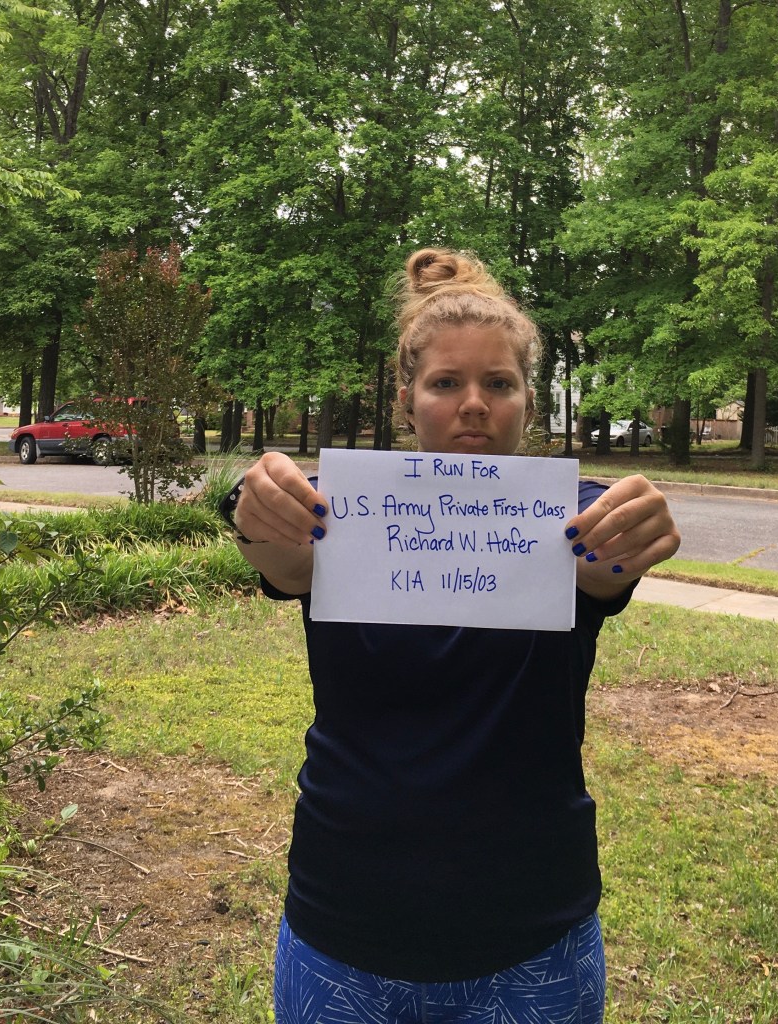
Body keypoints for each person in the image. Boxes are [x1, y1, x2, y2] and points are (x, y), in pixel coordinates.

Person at [224, 248, 681, 1024]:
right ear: (408, 401)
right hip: (345, 925)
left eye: (498, 384)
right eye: (447, 383)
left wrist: (636, 529)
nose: (475, 403)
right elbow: (280, 557)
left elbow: (606, 564)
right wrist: (255, 507)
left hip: (531, 936)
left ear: (528, 402)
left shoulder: (570, 519)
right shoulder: (341, 516)